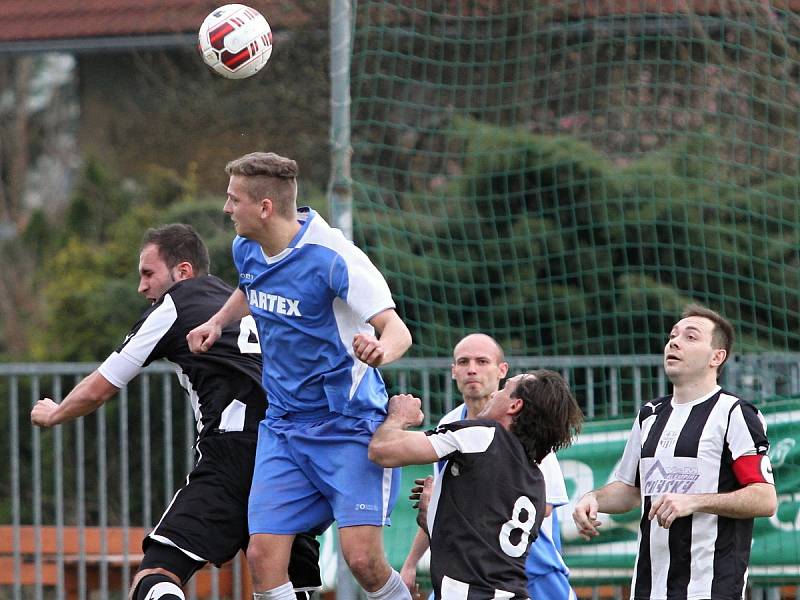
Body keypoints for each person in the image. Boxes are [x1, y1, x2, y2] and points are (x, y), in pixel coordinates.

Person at [30, 224, 321, 600]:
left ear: (183, 272)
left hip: (234, 452)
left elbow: (102, 386)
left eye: (148, 273)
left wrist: (55, 413)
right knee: (283, 583)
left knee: (156, 574)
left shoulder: (177, 303)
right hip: (292, 451)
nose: (142, 287)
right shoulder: (247, 302)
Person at [186, 152, 414, 600]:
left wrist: (380, 350)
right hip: (284, 428)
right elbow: (251, 285)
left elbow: (397, 329)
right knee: (263, 556)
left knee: (363, 561)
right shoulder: (246, 246)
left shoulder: (334, 257)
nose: (226, 208)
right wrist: (218, 321)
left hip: (347, 427)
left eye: (234, 199)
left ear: (265, 207)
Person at [572, 304, 778, 600]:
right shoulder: (650, 414)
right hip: (647, 588)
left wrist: (694, 501)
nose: (675, 342)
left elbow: (764, 497)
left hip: (710, 589)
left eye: (690, 337)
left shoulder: (734, 413)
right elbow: (630, 490)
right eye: (673, 335)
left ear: (716, 357)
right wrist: (592, 498)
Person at [368, 370, 584, 600]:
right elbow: (479, 542)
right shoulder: (537, 484)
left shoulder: (482, 435)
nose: (494, 393)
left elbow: (381, 450)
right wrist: (434, 513)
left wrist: (399, 417)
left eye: (504, 388)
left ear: (515, 406)